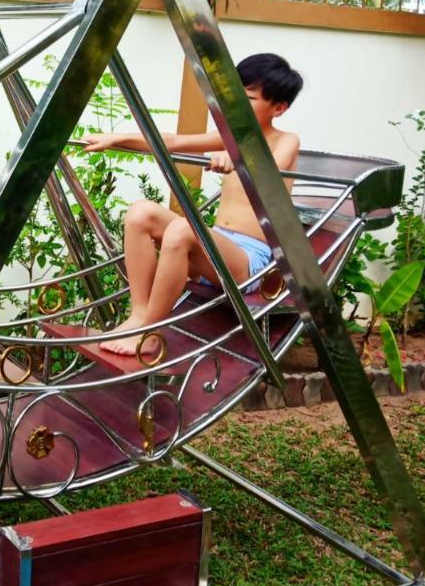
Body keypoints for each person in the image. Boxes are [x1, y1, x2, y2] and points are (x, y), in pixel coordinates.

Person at [83, 53, 303, 361]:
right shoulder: (231, 137)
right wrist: (116, 137)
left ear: (279, 108)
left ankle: (150, 333)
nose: (236, 104)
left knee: (184, 228)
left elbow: (268, 173)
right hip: (216, 246)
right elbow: (171, 141)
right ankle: (139, 314)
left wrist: (238, 159)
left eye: (249, 98)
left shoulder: (286, 141)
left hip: (250, 261)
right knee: (141, 213)